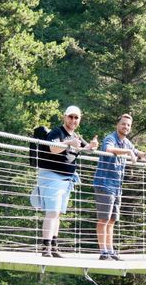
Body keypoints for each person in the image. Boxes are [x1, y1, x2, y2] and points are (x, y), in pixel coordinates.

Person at [30, 105, 98, 258]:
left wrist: (92, 145)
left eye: (76, 117)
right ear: (64, 117)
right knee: (52, 212)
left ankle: (53, 247)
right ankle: (46, 248)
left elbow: (86, 148)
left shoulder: (75, 136)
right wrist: (69, 143)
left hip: (66, 179)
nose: (73, 120)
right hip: (52, 176)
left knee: (58, 213)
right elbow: (53, 149)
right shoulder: (57, 132)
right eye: (70, 117)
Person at [92, 114, 146, 260]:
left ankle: (110, 250)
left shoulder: (126, 143)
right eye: (123, 124)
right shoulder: (111, 138)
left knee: (112, 220)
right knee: (104, 219)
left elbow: (137, 152)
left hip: (117, 186)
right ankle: (103, 252)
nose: (126, 127)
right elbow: (108, 149)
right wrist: (128, 152)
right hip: (104, 184)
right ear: (117, 125)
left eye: (128, 125)